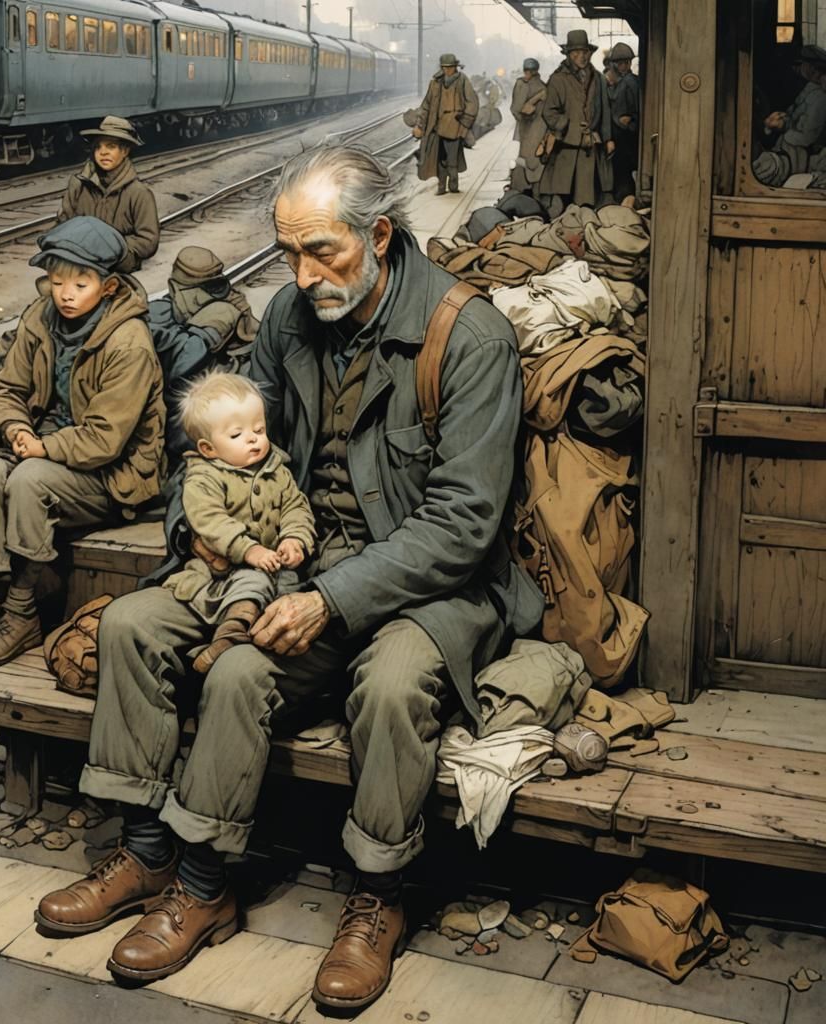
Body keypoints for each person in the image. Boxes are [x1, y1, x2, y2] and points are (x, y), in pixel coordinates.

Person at [35, 145, 543, 1013]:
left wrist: (331, 598)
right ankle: (157, 855)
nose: (303, 277)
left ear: (378, 235)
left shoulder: (469, 337)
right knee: (133, 624)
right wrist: (209, 541)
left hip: (433, 583)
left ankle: (371, 894)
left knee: (384, 685)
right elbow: (224, 447)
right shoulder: (289, 317)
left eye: (324, 253)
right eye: (290, 255)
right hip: (289, 554)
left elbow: (463, 526)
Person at [0, 217, 166, 666]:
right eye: (57, 281)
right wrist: (16, 429)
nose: (65, 293)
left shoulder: (129, 342)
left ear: (109, 287)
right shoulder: (39, 319)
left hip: (110, 476)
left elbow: (106, 439)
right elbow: (6, 389)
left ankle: (21, 614)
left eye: (80, 283)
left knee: (29, 480)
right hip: (41, 453)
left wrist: (44, 448)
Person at [164, 372, 316, 674]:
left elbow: (295, 506)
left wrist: (294, 539)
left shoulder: (277, 470)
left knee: (289, 587)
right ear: (208, 448)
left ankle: (245, 639)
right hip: (220, 573)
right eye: (237, 435)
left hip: (273, 567)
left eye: (259, 429)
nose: (253, 439)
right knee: (253, 581)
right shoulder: (203, 477)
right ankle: (230, 635)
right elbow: (211, 521)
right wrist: (249, 550)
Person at [147, 247, 260, 463]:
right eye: (198, 290)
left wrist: (238, 326)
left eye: (215, 287)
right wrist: (205, 332)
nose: (207, 298)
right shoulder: (156, 315)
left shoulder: (228, 305)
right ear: (175, 289)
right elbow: (179, 364)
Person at [58, 116, 160, 273]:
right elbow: (62, 224)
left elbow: (148, 241)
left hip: (119, 271)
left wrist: (111, 247)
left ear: (125, 151)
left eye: (111, 146)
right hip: (79, 266)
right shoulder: (78, 186)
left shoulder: (139, 193)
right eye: (98, 147)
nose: (103, 152)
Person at [540, 30, 614, 214]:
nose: (581, 57)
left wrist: (608, 138)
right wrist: (567, 125)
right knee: (562, 196)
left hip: (590, 146)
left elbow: (605, 110)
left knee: (587, 197)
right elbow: (549, 112)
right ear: (569, 55)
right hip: (565, 146)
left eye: (584, 52)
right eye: (576, 53)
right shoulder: (557, 79)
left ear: (589, 53)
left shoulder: (598, 78)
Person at [754, 45, 826, 187]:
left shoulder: (819, 97)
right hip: (789, 152)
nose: (797, 70)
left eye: (800, 65)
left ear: (811, 68)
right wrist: (778, 121)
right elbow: (792, 115)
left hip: (799, 158)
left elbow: (807, 136)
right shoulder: (809, 90)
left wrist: (784, 126)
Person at [413, 54, 481, 194]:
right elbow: (426, 105)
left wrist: (464, 124)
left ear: (455, 67)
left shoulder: (462, 81)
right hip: (437, 126)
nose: (447, 71)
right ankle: (441, 186)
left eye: (450, 68)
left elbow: (472, 103)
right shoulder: (435, 83)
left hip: (455, 126)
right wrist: (420, 125)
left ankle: (453, 186)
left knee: (452, 159)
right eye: (444, 68)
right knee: (439, 159)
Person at [607, 42, 640, 200]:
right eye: (619, 63)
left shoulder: (631, 82)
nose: (622, 66)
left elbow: (637, 107)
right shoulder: (618, 83)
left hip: (626, 133)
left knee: (624, 168)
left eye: (624, 62)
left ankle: (625, 198)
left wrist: (631, 119)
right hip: (618, 132)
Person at [510, 57, 547, 198]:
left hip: (527, 129)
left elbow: (515, 109)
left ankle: (525, 194)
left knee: (526, 161)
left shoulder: (522, 85)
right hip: (541, 129)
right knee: (537, 162)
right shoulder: (543, 86)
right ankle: (537, 194)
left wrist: (522, 117)